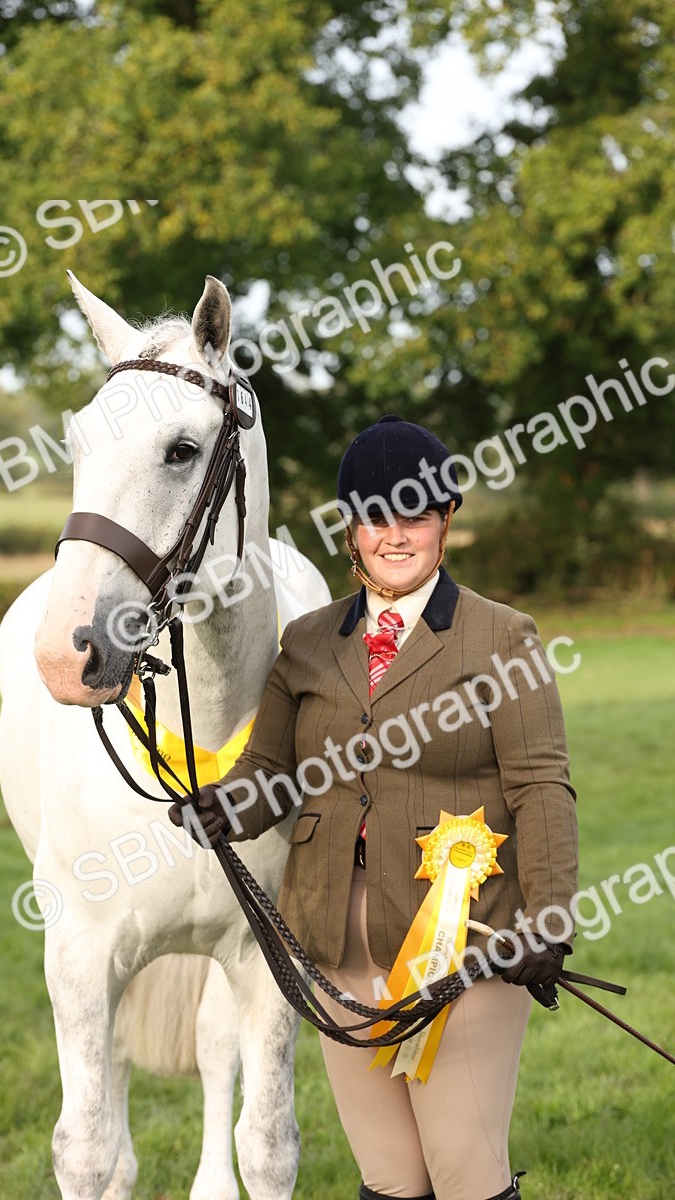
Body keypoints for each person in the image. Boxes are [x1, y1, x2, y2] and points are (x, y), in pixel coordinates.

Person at [170, 415, 579, 1200]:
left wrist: (548, 920)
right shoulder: (309, 642)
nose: (397, 535)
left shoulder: (504, 639)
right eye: (376, 517)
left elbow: (542, 788)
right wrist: (225, 806)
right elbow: (271, 772)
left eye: (416, 514)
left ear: (447, 521)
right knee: (390, 1177)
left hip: (467, 943)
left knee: (463, 1172)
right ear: (350, 531)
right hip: (336, 942)